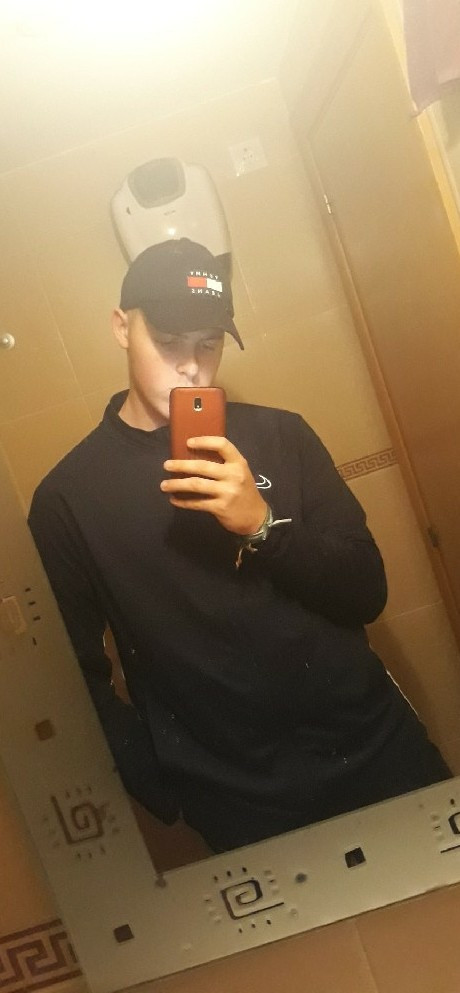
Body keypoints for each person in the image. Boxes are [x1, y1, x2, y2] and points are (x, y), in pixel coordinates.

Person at [28, 238, 451, 853]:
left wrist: (263, 525)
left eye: (208, 343)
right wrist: (162, 782)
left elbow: (366, 591)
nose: (191, 368)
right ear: (122, 327)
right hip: (236, 800)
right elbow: (69, 675)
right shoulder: (69, 499)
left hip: (376, 748)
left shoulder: (282, 435)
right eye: (168, 341)